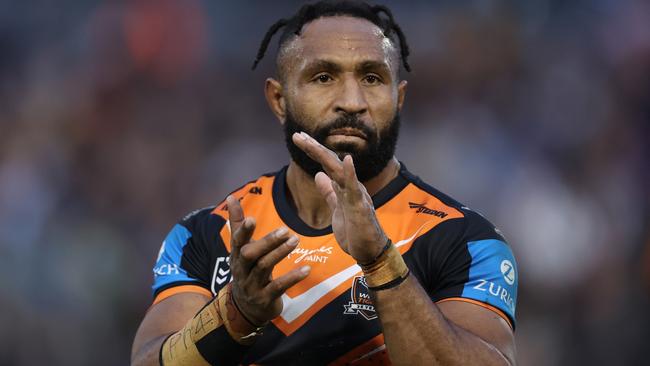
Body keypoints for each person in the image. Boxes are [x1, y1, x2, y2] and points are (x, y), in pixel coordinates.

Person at [131, 1, 518, 365]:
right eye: (323, 77)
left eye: (371, 77)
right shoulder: (206, 234)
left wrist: (381, 262)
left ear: (398, 98)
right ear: (279, 99)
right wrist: (235, 315)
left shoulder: (463, 241)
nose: (351, 101)